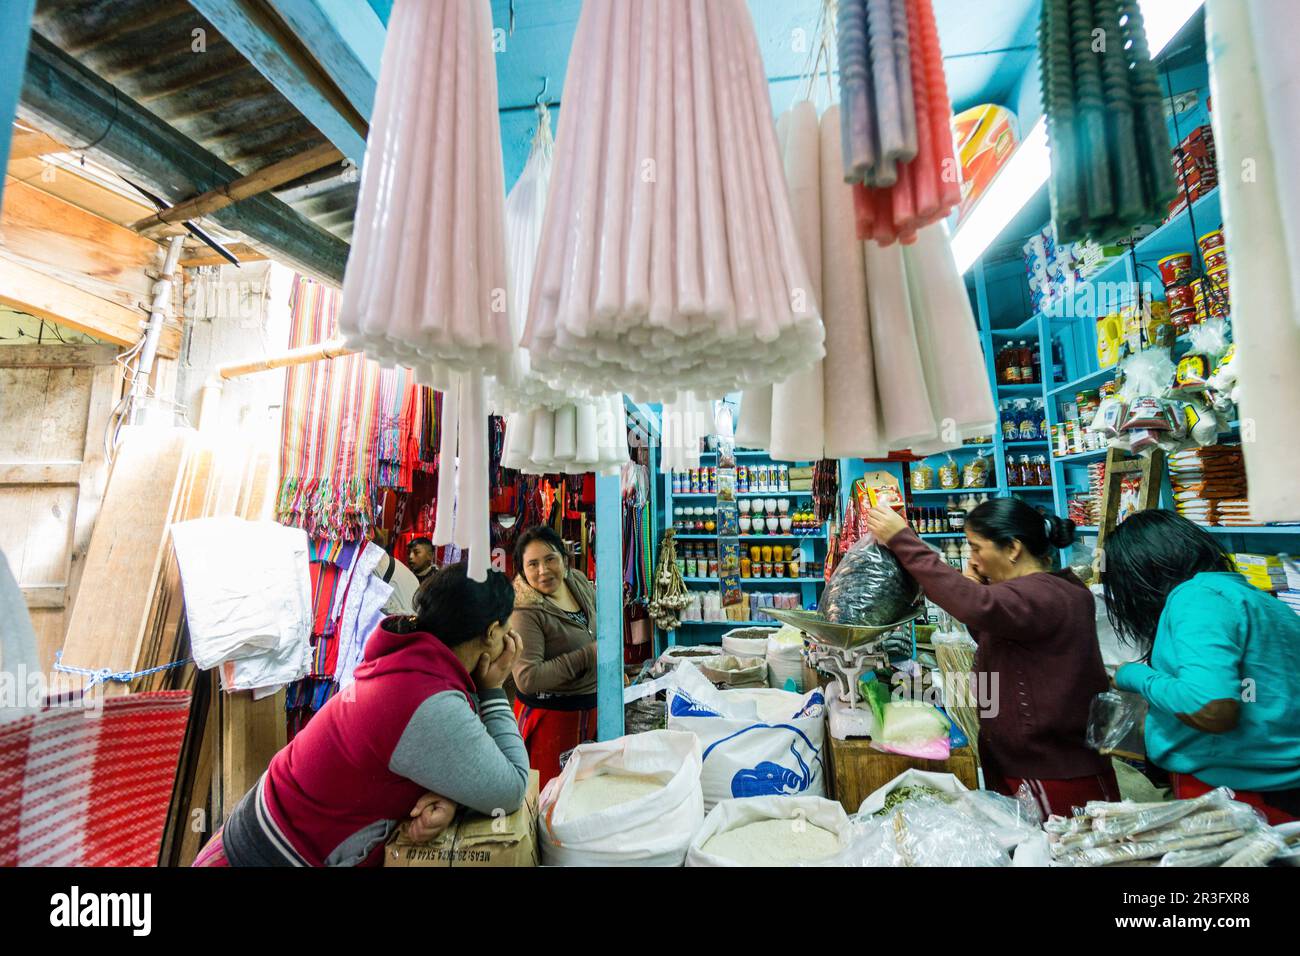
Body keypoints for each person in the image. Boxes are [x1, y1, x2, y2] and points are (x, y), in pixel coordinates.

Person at [193, 563, 528, 866]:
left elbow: (455, 760)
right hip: (266, 854)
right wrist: (494, 689)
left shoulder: (412, 663)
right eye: (507, 631)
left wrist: (451, 795)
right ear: (491, 633)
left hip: (259, 829)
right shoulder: (426, 698)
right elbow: (510, 789)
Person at [867, 497, 1118, 817]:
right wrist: (973, 583)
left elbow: (976, 606)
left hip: (1052, 771)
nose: (973, 559)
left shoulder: (1048, 594)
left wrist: (902, 539)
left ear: (1012, 548)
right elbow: (993, 632)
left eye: (976, 548)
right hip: (1022, 763)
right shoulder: (1037, 593)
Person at [1103, 510, 1300, 824]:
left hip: (1242, 795)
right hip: (1276, 785)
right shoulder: (1260, 601)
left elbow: (1209, 707)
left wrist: (1132, 675)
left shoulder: (1196, 597)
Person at [509, 525, 598, 787]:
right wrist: (588, 656)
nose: (543, 570)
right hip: (552, 722)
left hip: (590, 710)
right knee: (554, 795)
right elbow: (528, 678)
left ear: (564, 559)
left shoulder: (577, 582)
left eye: (550, 559)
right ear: (522, 570)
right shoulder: (525, 611)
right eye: (533, 564)